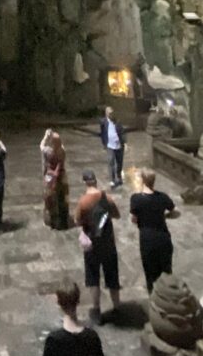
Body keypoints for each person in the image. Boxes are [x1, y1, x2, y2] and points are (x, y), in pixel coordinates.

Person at [75, 170, 121, 324]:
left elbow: (77, 221)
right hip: (108, 242)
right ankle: (117, 307)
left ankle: (96, 310)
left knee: (93, 277)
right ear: (95, 181)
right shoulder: (106, 198)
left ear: (85, 183)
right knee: (112, 275)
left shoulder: (83, 202)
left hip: (92, 243)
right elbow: (116, 215)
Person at [130, 168, 176, 293]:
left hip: (147, 239)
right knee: (166, 272)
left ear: (143, 181)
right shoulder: (162, 197)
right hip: (163, 237)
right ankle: (169, 296)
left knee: (150, 274)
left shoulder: (136, 199)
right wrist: (165, 216)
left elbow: (134, 219)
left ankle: (154, 297)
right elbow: (174, 211)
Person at [43, 132, 69, 230]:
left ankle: (52, 221)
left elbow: (41, 146)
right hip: (61, 177)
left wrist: (46, 136)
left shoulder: (48, 151)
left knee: (50, 198)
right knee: (62, 199)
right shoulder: (62, 151)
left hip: (50, 177)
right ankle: (63, 222)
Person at [99, 106, 126, 188]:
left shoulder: (117, 121)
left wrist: (125, 143)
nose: (111, 114)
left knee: (119, 162)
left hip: (119, 145)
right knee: (111, 162)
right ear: (106, 114)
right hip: (110, 145)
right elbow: (102, 133)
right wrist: (104, 143)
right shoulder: (103, 122)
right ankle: (112, 179)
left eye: (112, 113)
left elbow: (122, 132)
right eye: (109, 113)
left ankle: (119, 176)